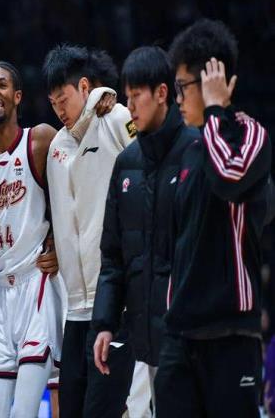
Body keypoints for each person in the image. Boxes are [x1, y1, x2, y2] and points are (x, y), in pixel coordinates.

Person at [154, 19, 272, 417]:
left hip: (231, 332)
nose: (177, 99)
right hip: (179, 335)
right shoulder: (186, 151)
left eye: (183, 87)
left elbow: (228, 178)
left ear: (211, 80)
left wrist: (216, 110)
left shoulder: (251, 134)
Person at [91, 46, 200, 416]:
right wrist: (105, 323)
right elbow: (113, 256)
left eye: (137, 95)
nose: (130, 105)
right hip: (146, 340)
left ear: (162, 93)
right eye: (127, 96)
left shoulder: (196, 151)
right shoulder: (126, 163)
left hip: (194, 337)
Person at [0, 61, 67, 417]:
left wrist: (60, 244)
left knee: (24, 412)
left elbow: (77, 178)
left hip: (37, 285)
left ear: (17, 96)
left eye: (2, 85)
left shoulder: (40, 140)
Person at [43, 44, 138, 418]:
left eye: (63, 99)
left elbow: (149, 175)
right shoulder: (55, 148)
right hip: (75, 308)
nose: (59, 110)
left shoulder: (116, 119)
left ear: (85, 87)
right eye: (52, 103)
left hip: (116, 302)